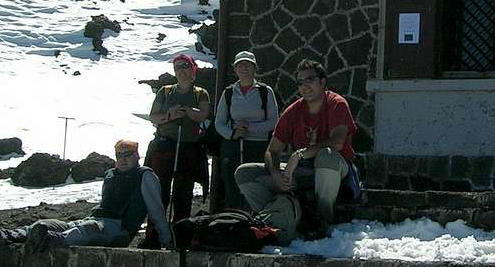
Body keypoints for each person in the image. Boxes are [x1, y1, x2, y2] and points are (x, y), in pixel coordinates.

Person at [0, 139, 173, 251]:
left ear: (137, 156)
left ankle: (47, 242)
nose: (124, 159)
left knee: (84, 231)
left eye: (128, 155)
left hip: (118, 229)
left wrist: (166, 240)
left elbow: (156, 210)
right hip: (95, 220)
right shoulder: (111, 175)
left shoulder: (145, 176)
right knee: (47, 223)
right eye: (120, 155)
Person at [235, 59, 356, 244]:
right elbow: (272, 151)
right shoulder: (293, 111)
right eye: (300, 82)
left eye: (310, 80)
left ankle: (322, 221)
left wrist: (299, 154)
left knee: (327, 155)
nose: (305, 86)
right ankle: (276, 219)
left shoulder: (336, 103)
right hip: (303, 171)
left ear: (322, 82)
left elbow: (338, 142)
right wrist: (276, 173)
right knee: (244, 173)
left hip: (335, 170)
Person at [142, 52, 210, 245]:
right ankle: (153, 237)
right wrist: (170, 116)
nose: (181, 71)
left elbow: (203, 115)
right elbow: (153, 116)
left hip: (189, 147)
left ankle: (181, 236)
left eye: (184, 67)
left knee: (183, 193)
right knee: (159, 192)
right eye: (178, 67)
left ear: (192, 69)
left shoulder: (200, 93)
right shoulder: (165, 91)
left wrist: (187, 112)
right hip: (165, 145)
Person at [213, 50, 279, 210]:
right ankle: (235, 217)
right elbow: (219, 122)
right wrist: (233, 133)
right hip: (234, 146)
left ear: (254, 68)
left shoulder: (265, 92)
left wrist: (251, 128)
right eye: (240, 65)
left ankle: (256, 219)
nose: (244, 68)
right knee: (231, 183)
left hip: (259, 146)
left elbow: (274, 121)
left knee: (255, 182)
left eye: (248, 65)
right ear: (235, 69)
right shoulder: (229, 93)